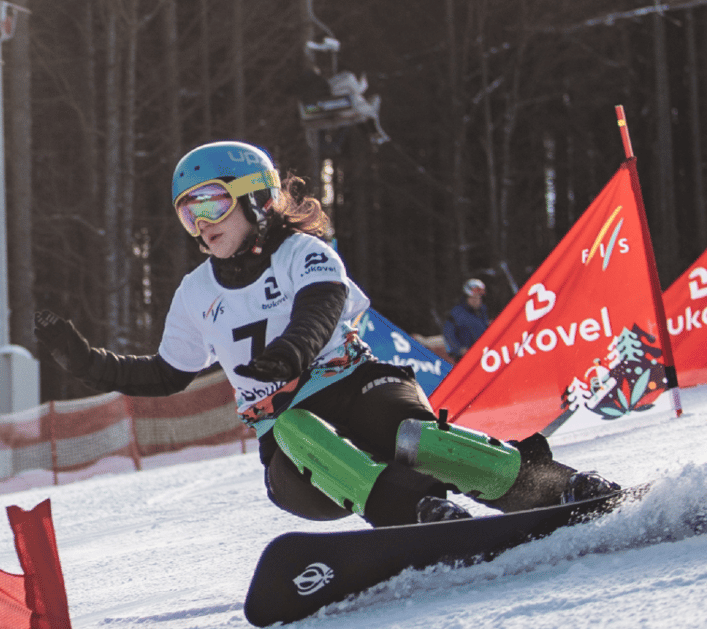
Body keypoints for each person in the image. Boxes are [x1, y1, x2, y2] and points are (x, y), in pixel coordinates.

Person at [34, 140, 616, 528]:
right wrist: (84, 360)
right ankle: (416, 516)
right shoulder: (196, 293)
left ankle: (549, 487)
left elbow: (322, 305)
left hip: (357, 388)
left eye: (210, 204)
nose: (201, 225)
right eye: (188, 214)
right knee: (290, 423)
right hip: (295, 448)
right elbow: (165, 373)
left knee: (407, 436)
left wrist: (290, 353)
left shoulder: (300, 253)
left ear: (255, 199)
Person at [442, 278, 490, 360]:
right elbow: (449, 336)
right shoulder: (455, 314)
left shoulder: (482, 312)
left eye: (479, 298)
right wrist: (459, 350)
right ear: (467, 297)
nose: (477, 301)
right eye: (474, 297)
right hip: (465, 360)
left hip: (483, 357)